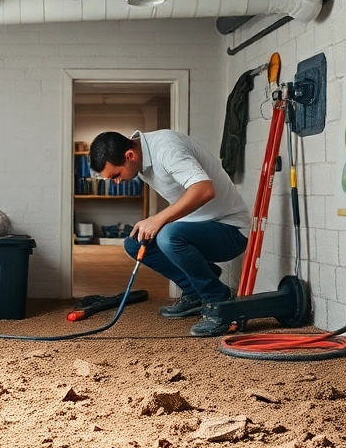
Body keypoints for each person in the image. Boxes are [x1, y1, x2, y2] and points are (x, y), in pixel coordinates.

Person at [88, 130, 251, 337]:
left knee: (169, 236)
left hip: (230, 231)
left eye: (116, 175)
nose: (117, 183)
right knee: (135, 242)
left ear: (130, 156)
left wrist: (157, 219)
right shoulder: (138, 158)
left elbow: (204, 190)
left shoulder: (167, 148)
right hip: (198, 228)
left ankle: (219, 300)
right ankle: (193, 292)